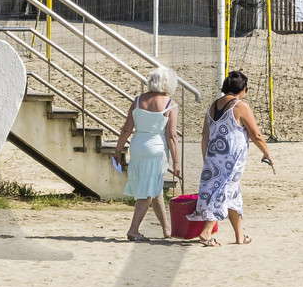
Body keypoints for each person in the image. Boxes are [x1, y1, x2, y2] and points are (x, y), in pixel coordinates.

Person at [194, 69, 274, 245]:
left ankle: (239, 236)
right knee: (224, 192)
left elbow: (205, 136)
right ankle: (207, 232)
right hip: (232, 159)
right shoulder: (240, 106)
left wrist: (206, 158)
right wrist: (266, 153)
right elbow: (256, 135)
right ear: (242, 89)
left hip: (213, 157)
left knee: (233, 195)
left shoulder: (212, 106)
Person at [116, 69, 180, 241]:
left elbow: (126, 129)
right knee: (147, 190)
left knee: (154, 187)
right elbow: (172, 135)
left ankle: (167, 229)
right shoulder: (170, 104)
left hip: (137, 146)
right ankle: (133, 230)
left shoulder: (137, 100)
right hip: (156, 149)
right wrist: (176, 162)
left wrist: (117, 151)